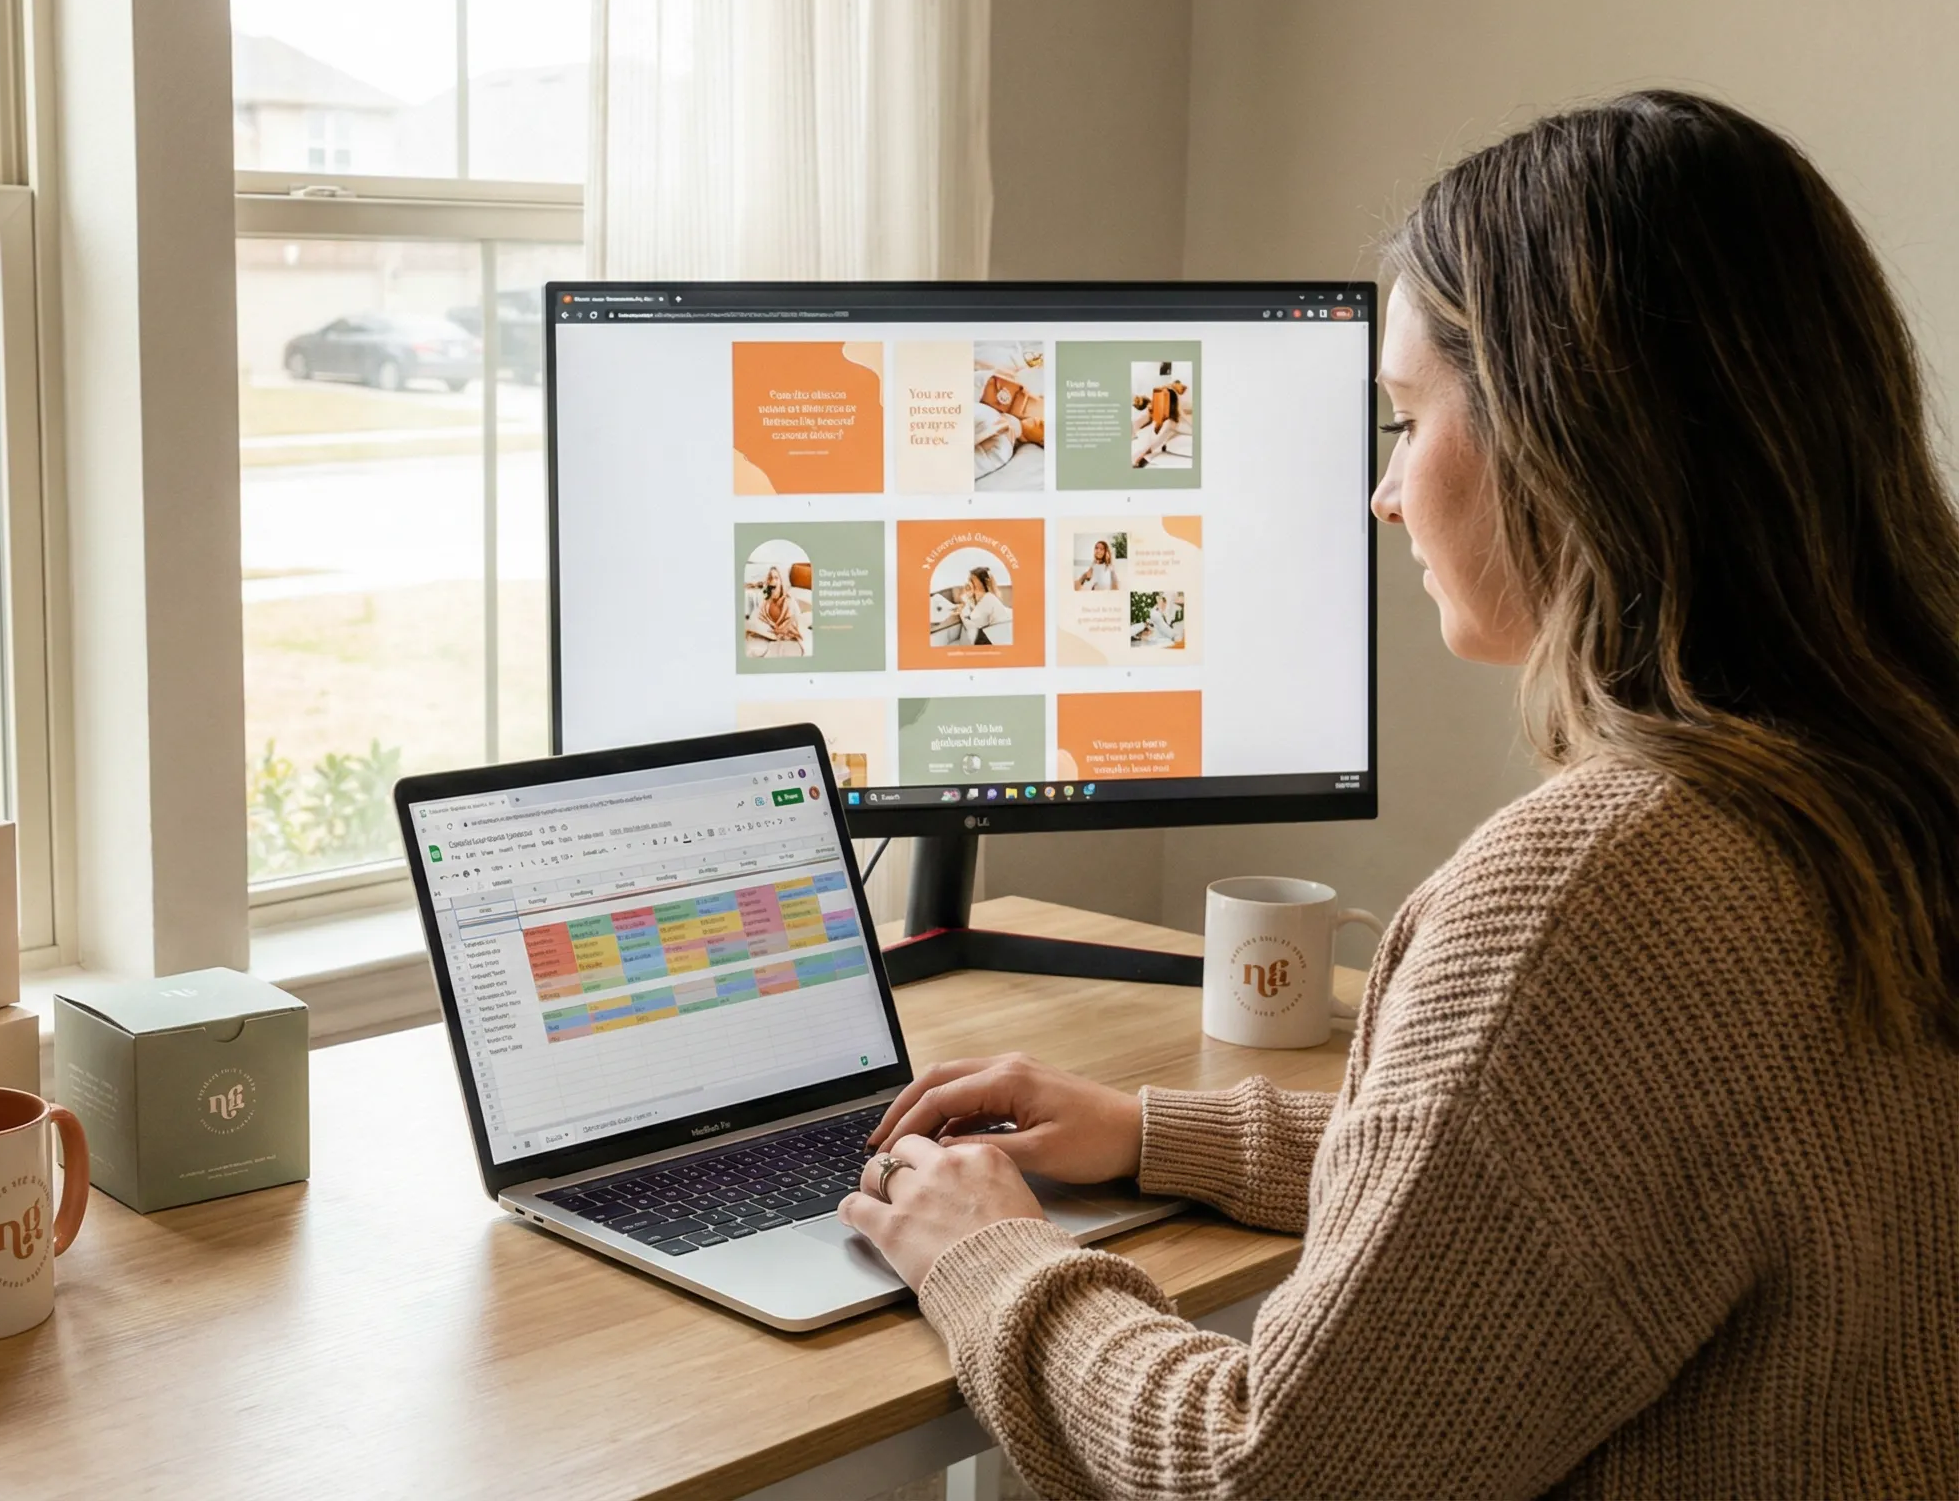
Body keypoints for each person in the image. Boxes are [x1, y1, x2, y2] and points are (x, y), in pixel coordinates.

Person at [838, 90, 1959, 1496]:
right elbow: (1564, 1183)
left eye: (1406, 419)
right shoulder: (1883, 777)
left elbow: (1265, 1475)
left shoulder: (1605, 883)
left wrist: (984, 1253)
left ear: (1566, 435)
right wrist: (1153, 1132)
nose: (1383, 495)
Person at [743, 574, 807, 657]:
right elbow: (753, 622)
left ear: (782, 583)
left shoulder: (790, 602)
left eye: (776, 577)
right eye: (770, 577)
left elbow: (798, 624)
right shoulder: (764, 604)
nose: (772, 579)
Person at [953, 565, 1011, 646]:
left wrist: (963, 602)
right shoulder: (983, 599)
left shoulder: (988, 598)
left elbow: (970, 625)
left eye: (972, 581)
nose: (969, 584)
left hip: (995, 639)